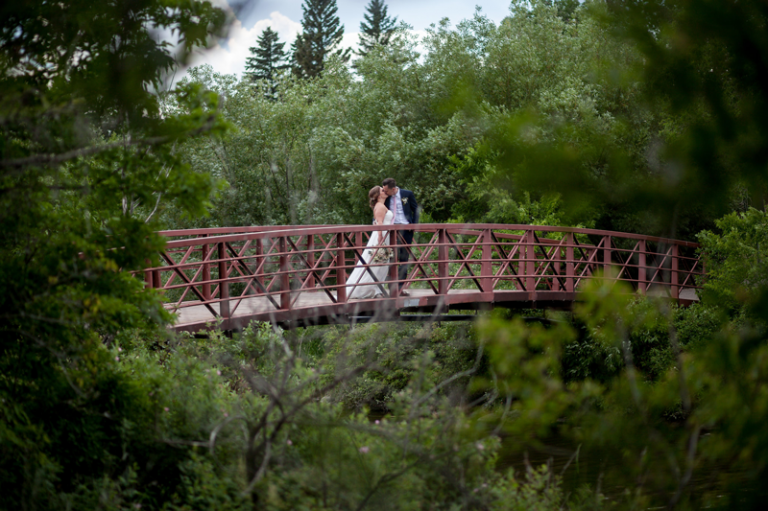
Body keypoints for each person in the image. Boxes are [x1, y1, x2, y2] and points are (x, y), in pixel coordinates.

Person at [346, 186, 394, 299]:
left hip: (384, 235)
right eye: (382, 190)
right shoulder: (380, 207)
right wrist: (380, 241)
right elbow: (380, 224)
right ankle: (370, 289)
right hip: (380, 236)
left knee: (381, 265)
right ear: (378, 195)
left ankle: (377, 289)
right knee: (376, 264)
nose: (385, 191)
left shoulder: (382, 206)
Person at [382, 178, 419, 296]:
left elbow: (416, 209)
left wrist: (414, 225)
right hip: (391, 230)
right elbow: (378, 209)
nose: (384, 192)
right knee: (391, 258)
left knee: (404, 259)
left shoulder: (407, 194)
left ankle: (400, 288)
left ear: (393, 189)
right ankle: (391, 288)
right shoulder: (385, 197)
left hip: (406, 229)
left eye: (386, 190)